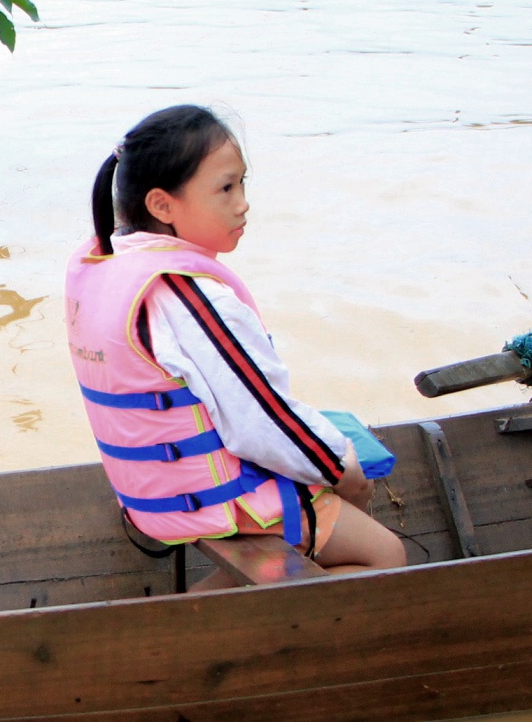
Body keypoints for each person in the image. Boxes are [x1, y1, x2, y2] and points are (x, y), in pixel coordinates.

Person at [65, 105, 406, 574]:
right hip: (221, 502)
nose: (242, 202)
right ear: (162, 205)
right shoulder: (192, 296)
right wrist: (340, 466)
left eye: (243, 183)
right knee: (386, 555)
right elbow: (260, 421)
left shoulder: (110, 264)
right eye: (225, 188)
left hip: (153, 501)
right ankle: (205, 635)